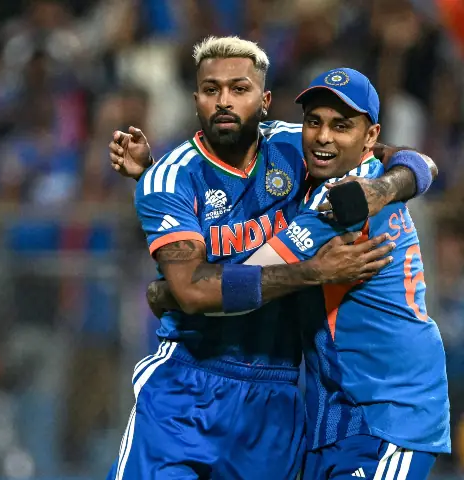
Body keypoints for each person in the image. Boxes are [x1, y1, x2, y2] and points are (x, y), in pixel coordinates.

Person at [106, 37, 438, 480]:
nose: (224, 101)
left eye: (239, 89)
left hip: (277, 393)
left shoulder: (299, 148)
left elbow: (404, 160)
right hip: (190, 384)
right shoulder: (168, 178)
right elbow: (191, 291)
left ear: (263, 100)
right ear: (195, 99)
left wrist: (383, 190)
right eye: (211, 90)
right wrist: (312, 273)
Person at [253, 68, 448, 479]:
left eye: (341, 126)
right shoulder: (372, 178)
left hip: (389, 414)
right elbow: (419, 162)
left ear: (370, 136)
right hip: (343, 412)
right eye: (314, 122)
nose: (323, 136)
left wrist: (182, 288)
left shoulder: (340, 201)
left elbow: (245, 278)